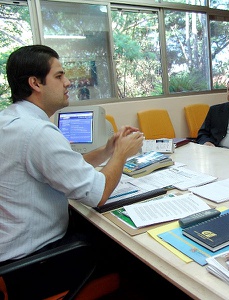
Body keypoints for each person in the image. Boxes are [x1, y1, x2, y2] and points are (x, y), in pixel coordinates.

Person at [0, 45, 144, 264]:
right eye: (59, 76)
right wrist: (122, 154)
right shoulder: (38, 132)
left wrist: (107, 151)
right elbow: (98, 194)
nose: (68, 82)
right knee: (128, 253)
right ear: (35, 83)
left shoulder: (10, 120)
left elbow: (62, 166)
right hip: (33, 259)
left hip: (10, 248)